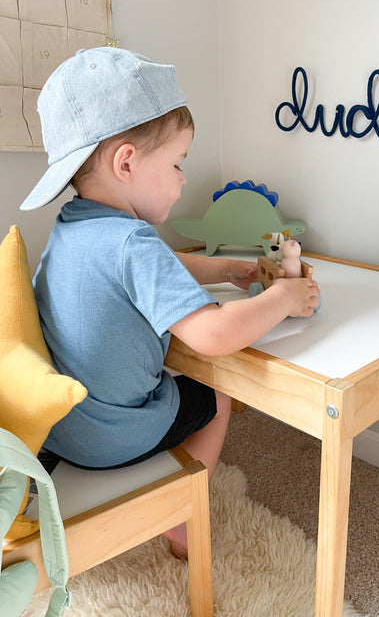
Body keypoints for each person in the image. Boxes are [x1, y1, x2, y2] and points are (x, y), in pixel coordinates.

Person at [20, 47, 320, 557]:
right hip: (109, 439)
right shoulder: (132, 241)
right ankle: (180, 514)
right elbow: (216, 334)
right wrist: (285, 296)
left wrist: (224, 268)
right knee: (216, 393)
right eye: (178, 163)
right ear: (127, 163)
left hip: (60, 432)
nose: (184, 179)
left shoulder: (75, 229)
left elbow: (158, 269)